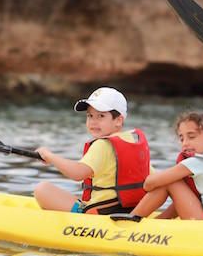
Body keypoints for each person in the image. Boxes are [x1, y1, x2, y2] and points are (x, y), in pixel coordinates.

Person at [34, 87, 150, 215]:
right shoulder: (133, 141)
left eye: (101, 116)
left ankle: (80, 214)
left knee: (42, 189)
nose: (93, 122)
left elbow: (78, 174)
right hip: (131, 208)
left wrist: (49, 156)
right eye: (90, 115)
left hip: (101, 212)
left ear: (118, 120)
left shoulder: (102, 145)